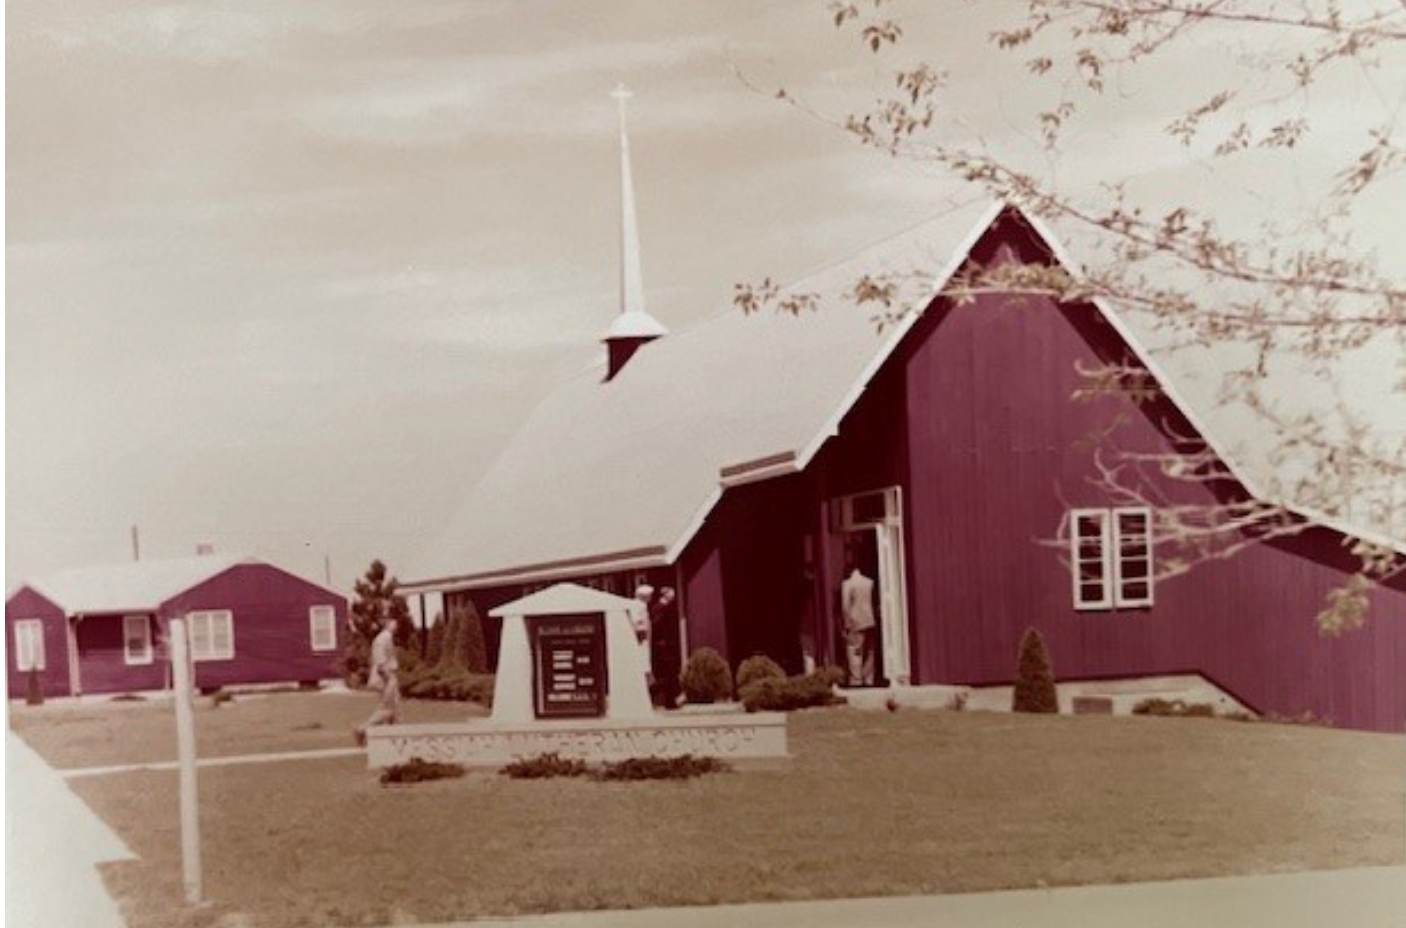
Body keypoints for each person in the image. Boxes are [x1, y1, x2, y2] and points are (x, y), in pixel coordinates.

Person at [354, 611, 400, 746]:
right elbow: (380, 663)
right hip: (385, 677)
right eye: (394, 621)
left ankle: (393, 740)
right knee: (388, 709)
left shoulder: (387, 637)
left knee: (394, 710)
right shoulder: (383, 638)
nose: (396, 624)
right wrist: (390, 679)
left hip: (388, 676)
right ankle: (362, 729)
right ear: (389, 623)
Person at [841, 559, 877, 686]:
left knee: (855, 650)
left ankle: (856, 679)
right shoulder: (869, 582)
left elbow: (845, 606)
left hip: (855, 620)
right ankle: (869, 677)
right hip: (869, 619)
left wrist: (846, 625)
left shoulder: (847, 584)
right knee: (870, 650)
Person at [650, 586, 682, 709]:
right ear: (665, 595)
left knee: (669, 674)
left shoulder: (666, 607)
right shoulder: (659, 608)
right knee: (666, 674)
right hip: (663, 647)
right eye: (671, 594)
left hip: (667, 646)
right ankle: (657, 695)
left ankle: (669, 701)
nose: (673, 596)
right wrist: (664, 642)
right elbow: (658, 625)